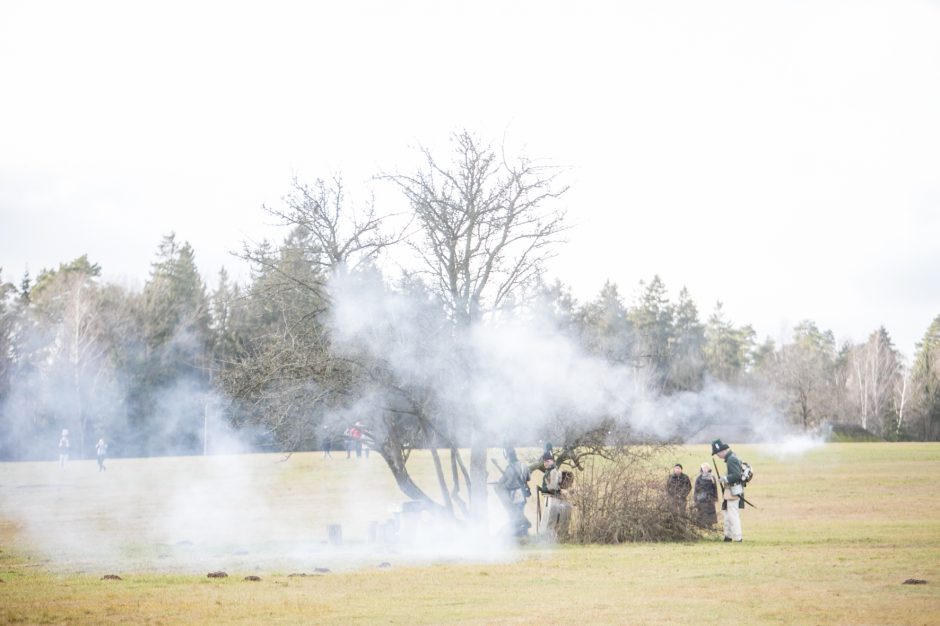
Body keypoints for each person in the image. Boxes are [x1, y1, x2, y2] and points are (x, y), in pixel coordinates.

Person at [712, 438, 745, 542]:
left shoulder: (731, 459)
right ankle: (728, 536)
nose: (717, 456)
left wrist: (724, 478)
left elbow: (736, 475)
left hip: (732, 492)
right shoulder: (731, 457)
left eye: (717, 454)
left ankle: (738, 538)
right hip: (730, 491)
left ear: (722, 451)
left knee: (732, 515)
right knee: (727, 514)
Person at [495, 447, 532, 538]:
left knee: (515, 516)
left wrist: (501, 486)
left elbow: (508, 482)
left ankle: (520, 534)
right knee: (519, 513)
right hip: (522, 493)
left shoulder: (509, 468)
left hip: (514, 494)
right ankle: (523, 534)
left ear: (507, 456)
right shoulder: (523, 465)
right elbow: (528, 478)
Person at [537, 451, 571, 541]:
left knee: (550, 521)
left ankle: (549, 539)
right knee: (549, 520)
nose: (545, 463)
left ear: (552, 461)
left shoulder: (553, 471)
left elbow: (552, 487)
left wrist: (543, 488)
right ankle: (547, 539)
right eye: (544, 461)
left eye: (547, 461)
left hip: (553, 499)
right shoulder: (550, 471)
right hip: (550, 498)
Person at [692, 463, 719, 527]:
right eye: (703, 468)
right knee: (701, 511)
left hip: (710, 498)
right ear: (701, 469)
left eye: (706, 468)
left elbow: (715, 487)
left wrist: (715, 497)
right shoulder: (699, 478)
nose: (705, 469)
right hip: (701, 498)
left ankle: (710, 525)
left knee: (710, 512)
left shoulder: (712, 477)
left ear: (709, 469)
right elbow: (696, 489)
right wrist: (695, 498)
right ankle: (701, 525)